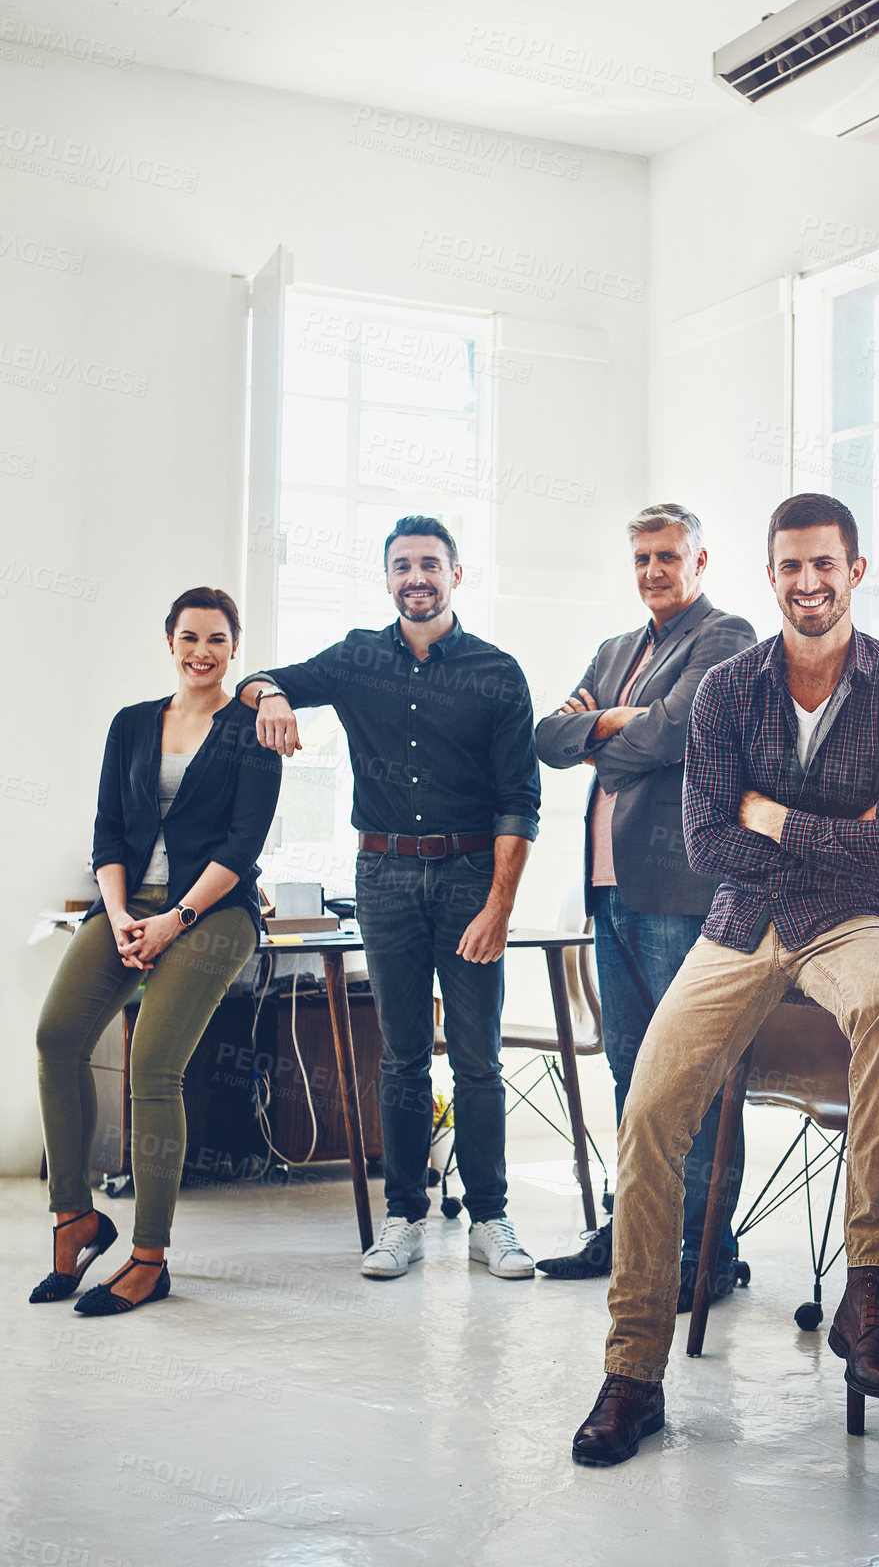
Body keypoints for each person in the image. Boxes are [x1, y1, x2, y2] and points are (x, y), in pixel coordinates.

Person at [572, 493, 879, 1467]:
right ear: (770, 574)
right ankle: (632, 1372)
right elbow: (706, 840)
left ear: (854, 570)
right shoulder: (727, 690)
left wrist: (774, 818)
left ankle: (870, 1292)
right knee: (651, 1107)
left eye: (825, 565)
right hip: (738, 924)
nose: (808, 583)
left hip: (853, 922)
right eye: (790, 567)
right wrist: (837, 835)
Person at [240, 516, 541, 1281]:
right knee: (403, 1059)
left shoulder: (496, 671)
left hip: (472, 874)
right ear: (386, 579)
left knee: (477, 1061)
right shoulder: (355, 657)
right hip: (383, 878)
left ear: (455, 575)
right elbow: (261, 680)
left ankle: (490, 1218)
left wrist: (500, 906)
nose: (417, 577)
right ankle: (404, 1218)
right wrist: (269, 691)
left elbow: (518, 800)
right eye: (402, 565)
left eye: (430, 565)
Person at [31, 589, 281, 1315]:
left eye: (217, 639)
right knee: (56, 1039)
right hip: (125, 909)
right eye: (189, 636)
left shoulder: (253, 729)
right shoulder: (133, 724)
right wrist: (116, 917)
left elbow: (242, 847)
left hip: (215, 915)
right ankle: (74, 1220)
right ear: (169, 641)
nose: (202, 651)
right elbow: (108, 832)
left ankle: (148, 1257)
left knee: (152, 1066)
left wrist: (175, 918)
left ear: (236, 647)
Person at [534, 503, 755, 1304]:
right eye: (640, 559)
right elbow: (546, 740)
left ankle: (705, 1254)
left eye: (667, 557)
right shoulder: (616, 647)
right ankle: (634, 1236)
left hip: (676, 890)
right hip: (608, 890)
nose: (653, 571)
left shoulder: (725, 637)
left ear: (699, 561)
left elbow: (676, 735)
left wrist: (600, 729)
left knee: (687, 1079)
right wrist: (614, 723)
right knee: (631, 1075)